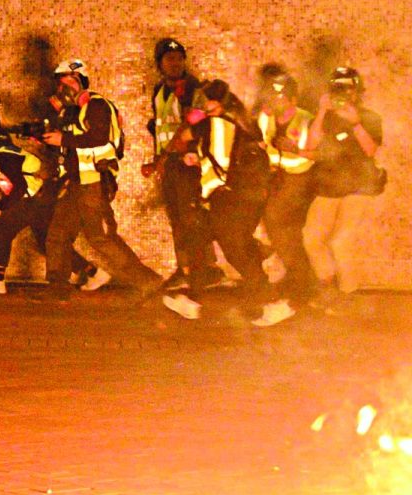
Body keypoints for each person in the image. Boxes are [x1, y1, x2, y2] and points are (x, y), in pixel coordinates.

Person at [161, 80, 294, 326]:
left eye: (204, 101)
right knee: (201, 240)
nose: (200, 105)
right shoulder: (238, 122)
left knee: (235, 251)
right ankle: (193, 299)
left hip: (231, 199)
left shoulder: (212, 124)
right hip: (243, 197)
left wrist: (191, 121)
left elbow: (178, 142)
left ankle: (273, 302)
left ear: (214, 103)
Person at [42, 59, 160, 295]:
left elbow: (99, 138)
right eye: (60, 84)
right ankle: (57, 286)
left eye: (68, 83)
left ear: (81, 83)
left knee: (101, 238)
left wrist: (63, 139)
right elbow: (74, 147)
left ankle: (149, 283)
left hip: (94, 184)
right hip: (76, 184)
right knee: (57, 233)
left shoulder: (97, 106)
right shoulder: (72, 113)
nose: (63, 90)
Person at [301, 66, 386, 311]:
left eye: (348, 89)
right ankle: (328, 286)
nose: (344, 94)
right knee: (311, 237)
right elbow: (310, 144)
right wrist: (321, 112)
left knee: (340, 241)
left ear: (357, 92)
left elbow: (370, 150)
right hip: (329, 185)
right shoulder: (325, 118)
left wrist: (355, 123)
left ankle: (348, 292)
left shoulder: (369, 117)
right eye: (338, 89)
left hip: (359, 187)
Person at [142, 38, 215, 291]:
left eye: (178, 58)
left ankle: (203, 270)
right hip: (169, 162)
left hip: (189, 163)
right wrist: (158, 160)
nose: (174, 63)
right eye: (168, 59)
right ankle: (185, 269)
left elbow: (197, 124)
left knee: (190, 218)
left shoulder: (193, 88)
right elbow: (163, 127)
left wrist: (188, 145)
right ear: (160, 64)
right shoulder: (160, 91)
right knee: (178, 219)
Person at [0, 112, 55, 294]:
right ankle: (91, 271)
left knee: (2, 227)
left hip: (29, 197)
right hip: (37, 197)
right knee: (48, 241)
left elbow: (19, 186)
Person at [253, 66, 315, 306]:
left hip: (297, 179)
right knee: (277, 233)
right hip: (275, 178)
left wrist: (295, 148)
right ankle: (295, 284)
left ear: (293, 99)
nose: (277, 101)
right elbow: (261, 140)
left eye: (281, 97)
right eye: (273, 96)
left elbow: (311, 157)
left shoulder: (305, 120)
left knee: (282, 230)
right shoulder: (267, 118)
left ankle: (300, 288)